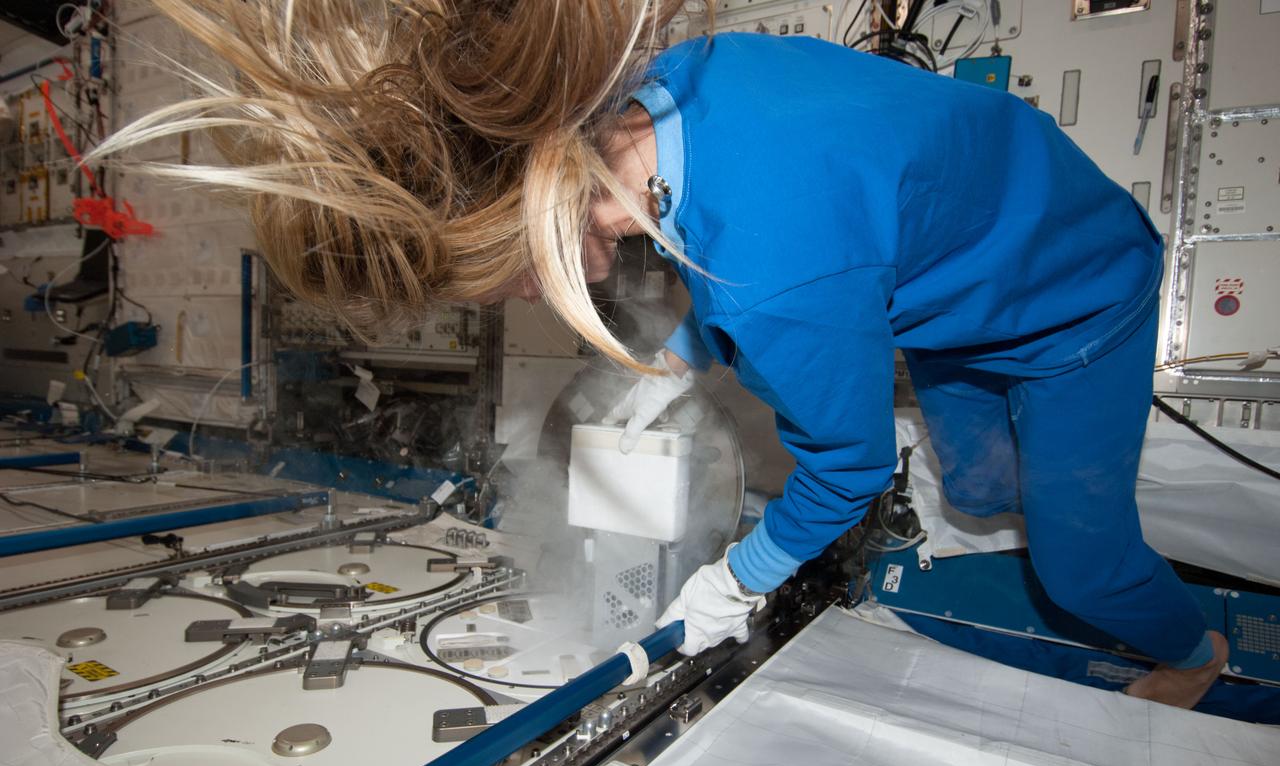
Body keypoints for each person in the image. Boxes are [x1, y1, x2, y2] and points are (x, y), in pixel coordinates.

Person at [104, 0, 1226, 709]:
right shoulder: (672, 95)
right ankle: (1038, 481)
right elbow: (757, 250)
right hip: (963, 264)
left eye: (516, 278)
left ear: (539, 212)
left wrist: (736, 580)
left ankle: (1196, 652)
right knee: (978, 491)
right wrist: (682, 357)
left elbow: (846, 467)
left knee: (1076, 564)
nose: (539, 297)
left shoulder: (771, 271)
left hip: (1072, 295)